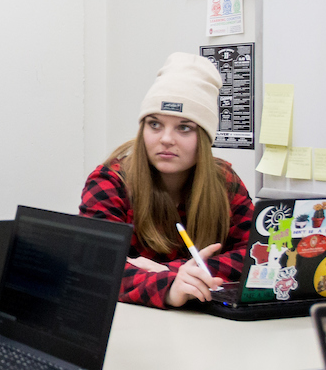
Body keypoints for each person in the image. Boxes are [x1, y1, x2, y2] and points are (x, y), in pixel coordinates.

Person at [78, 52, 253, 308]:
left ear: (204, 138)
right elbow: (94, 265)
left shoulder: (224, 181)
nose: (166, 139)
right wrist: (170, 286)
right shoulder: (110, 181)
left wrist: (170, 272)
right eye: (155, 124)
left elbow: (256, 255)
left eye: (184, 127)